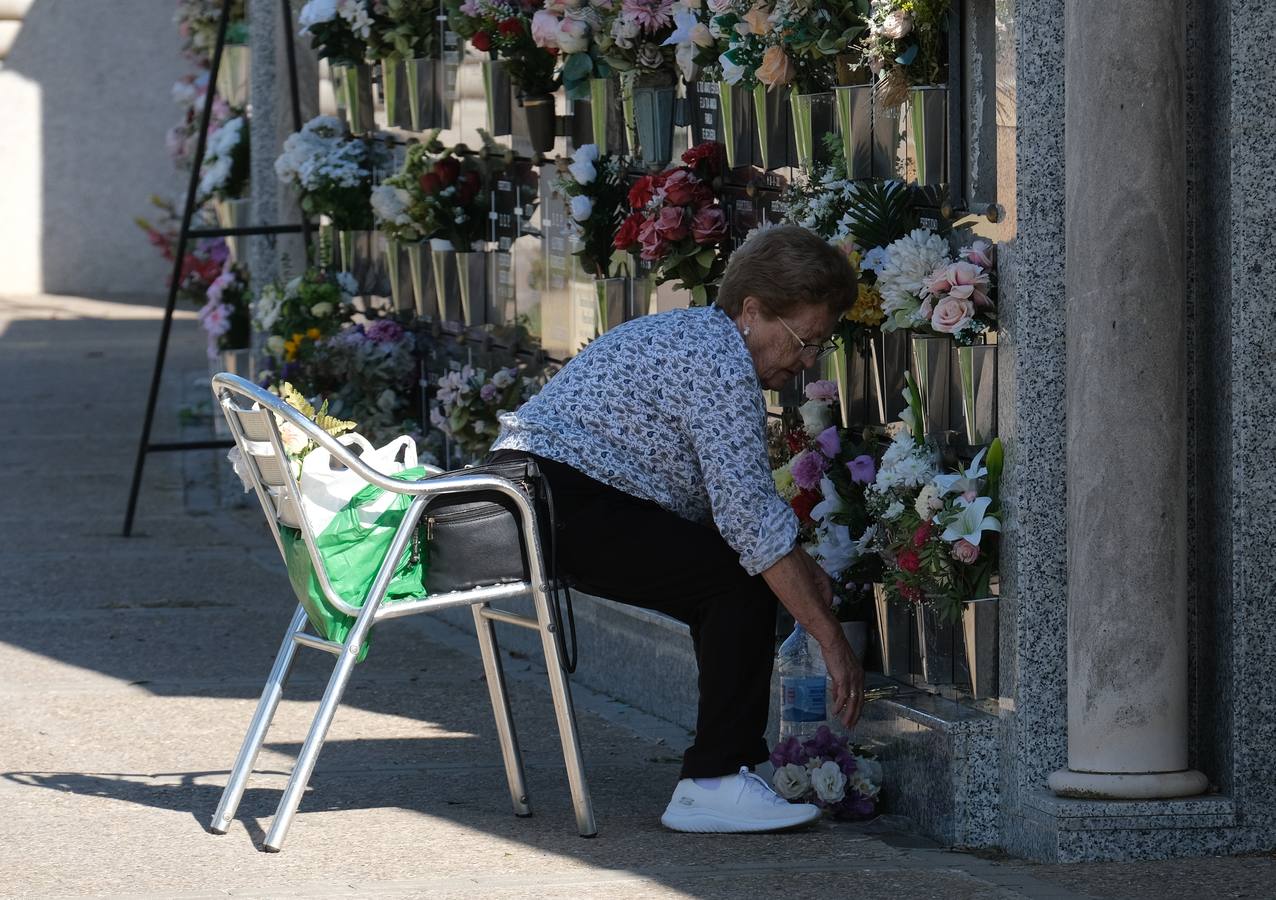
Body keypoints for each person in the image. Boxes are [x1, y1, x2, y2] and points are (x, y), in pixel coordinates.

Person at [488, 225, 865, 833]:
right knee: (735, 582)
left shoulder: (699, 339)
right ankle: (713, 782)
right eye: (803, 339)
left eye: (820, 347)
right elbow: (746, 518)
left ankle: (723, 773)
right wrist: (828, 638)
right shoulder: (718, 358)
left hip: (544, 493)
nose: (806, 362)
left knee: (733, 573)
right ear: (752, 310)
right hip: (564, 499)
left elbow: (736, 508)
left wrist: (798, 571)